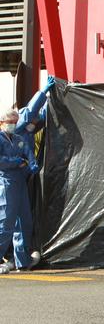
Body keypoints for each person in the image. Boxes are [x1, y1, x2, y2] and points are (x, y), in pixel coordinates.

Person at [0, 109, 39, 274]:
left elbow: (28, 153)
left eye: (15, 122)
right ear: (2, 122)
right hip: (6, 182)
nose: (13, 125)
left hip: (20, 183)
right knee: (6, 223)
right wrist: (17, 161)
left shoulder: (18, 138)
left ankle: (22, 261)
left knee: (24, 222)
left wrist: (32, 163)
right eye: (10, 122)